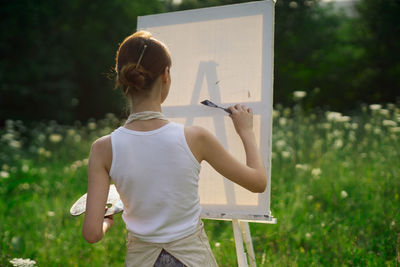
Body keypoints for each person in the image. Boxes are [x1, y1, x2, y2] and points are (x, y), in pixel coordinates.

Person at [81, 30, 267, 267]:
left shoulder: (102, 148)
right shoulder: (195, 137)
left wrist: (107, 219)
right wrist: (247, 132)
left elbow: (91, 233)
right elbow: (257, 182)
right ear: (166, 75)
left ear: (121, 78)